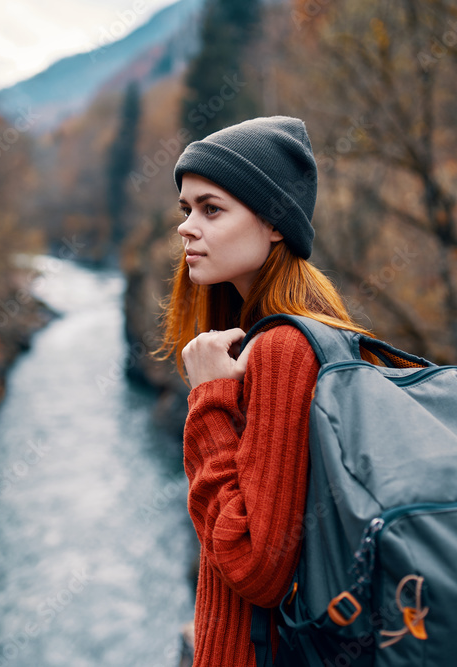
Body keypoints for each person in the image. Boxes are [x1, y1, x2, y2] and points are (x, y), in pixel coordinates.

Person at [156, 116, 371, 666]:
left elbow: (258, 566)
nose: (186, 226)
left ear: (275, 223)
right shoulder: (290, 333)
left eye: (211, 209)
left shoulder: (282, 350)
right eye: (187, 209)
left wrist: (207, 404)